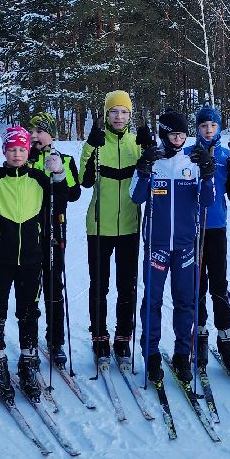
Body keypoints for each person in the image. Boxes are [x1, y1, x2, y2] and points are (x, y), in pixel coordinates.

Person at [131, 111, 215, 385]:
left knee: (185, 301)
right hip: (156, 243)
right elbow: (136, 196)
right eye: (173, 134)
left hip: (185, 245)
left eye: (182, 134)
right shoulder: (153, 161)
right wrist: (142, 170)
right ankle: (151, 353)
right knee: (152, 301)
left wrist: (207, 173)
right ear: (163, 134)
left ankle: (182, 354)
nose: (178, 139)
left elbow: (207, 201)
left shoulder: (191, 162)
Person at [0, 126, 54, 403]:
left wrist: (60, 174)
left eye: (21, 149)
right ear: (5, 152)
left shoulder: (40, 179)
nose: (17, 154)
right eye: (12, 150)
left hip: (32, 258)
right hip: (0, 257)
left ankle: (28, 361)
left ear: (28, 151)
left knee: (29, 311)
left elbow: (64, 199)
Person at [79, 91, 146, 368]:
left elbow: (149, 178)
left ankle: (122, 339)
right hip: (99, 226)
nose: (119, 117)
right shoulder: (95, 142)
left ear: (131, 116)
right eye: (114, 112)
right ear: (105, 115)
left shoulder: (135, 143)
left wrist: (149, 150)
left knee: (126, 287)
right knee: (99, 286)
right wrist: (91, 149)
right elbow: (84, 181)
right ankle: (99, 338)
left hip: (129, 226)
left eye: (124, 112)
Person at [187, 105, 230, 373]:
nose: (209, 131)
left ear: (219, 128)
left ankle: (225, 339)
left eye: (213, 126)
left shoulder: (225, 154)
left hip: (216, 226)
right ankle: (199, 337)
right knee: (197, 283)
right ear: (197, 129)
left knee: (219, 284)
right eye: (203, 126)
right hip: (192, 227)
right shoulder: (189, 154)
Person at [29, 112, 82, 369]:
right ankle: (28, 340)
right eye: (33, 131)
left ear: (52, 134)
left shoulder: (66, 159)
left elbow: (74, 194)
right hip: (27, 231)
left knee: (53, 287)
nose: (35, 135)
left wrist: (59, 171)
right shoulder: (24, 159)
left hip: (54, 231)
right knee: (28, 288)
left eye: (40, 130)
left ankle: (56, 341)